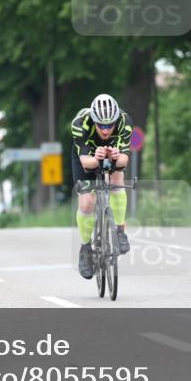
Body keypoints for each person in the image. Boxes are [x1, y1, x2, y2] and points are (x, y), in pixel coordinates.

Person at [71, 94, 132, 279]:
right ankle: (85, 247)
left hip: (113, 153)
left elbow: (124, 161)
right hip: (86, 157)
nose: (105, 130)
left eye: (109, 125)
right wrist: (97, 157)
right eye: (101, 125)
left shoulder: (124, 121)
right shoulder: (81, 123)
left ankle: (120, 231)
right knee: (87, 203)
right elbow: (86, 164)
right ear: (94, 121)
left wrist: (114, 157)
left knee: (116, 179)